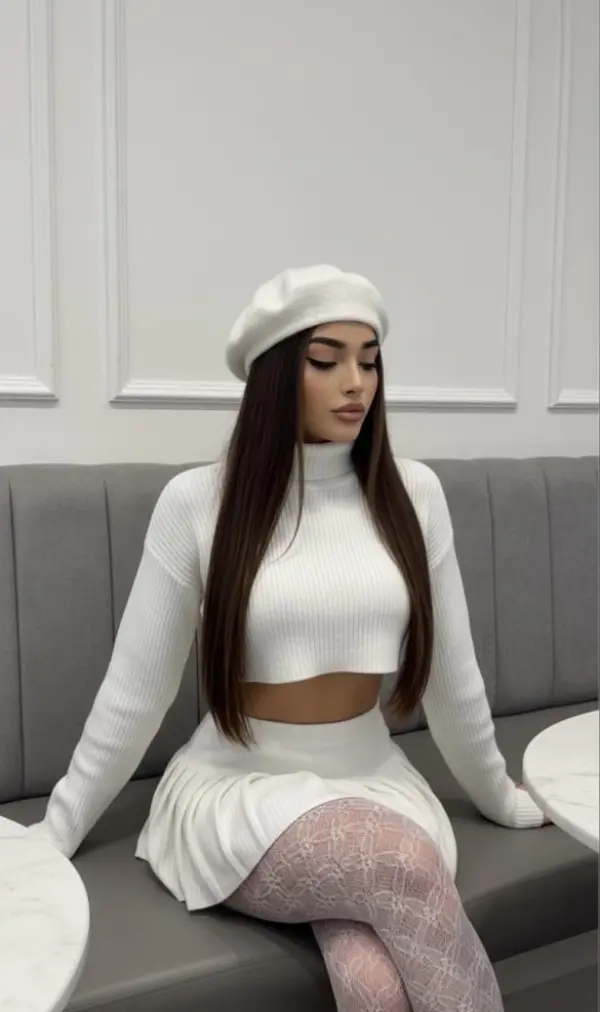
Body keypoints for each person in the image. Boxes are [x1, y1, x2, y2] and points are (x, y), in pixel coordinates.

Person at [27, 265, 547, 1012]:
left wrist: (499, 795)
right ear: (275, 375)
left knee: (375, 985)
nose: (355, 383)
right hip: (239, 789)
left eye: (369, 361)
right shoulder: (198, 503)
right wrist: (57, 829)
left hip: (373, 780)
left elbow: (453, 680)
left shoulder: (415, 494)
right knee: (403, 868)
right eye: (326, 360)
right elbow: (135, 693)